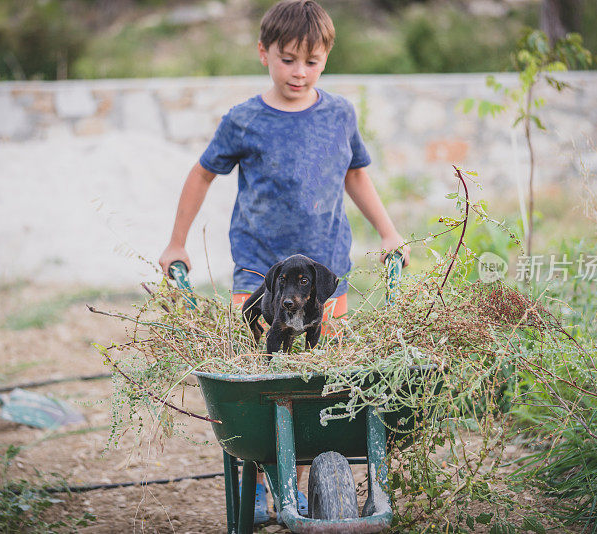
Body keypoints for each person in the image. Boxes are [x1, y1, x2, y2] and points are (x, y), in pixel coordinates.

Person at [158, 0, 409, 523]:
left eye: (312, 61)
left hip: (322, 278)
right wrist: (177, 243)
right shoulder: (244, 119)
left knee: (315, 381)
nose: (299, 72)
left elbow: (356, 174)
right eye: (288, 58)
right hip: (258, 272)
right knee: (260, 379)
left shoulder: (339, 114)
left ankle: (303, 478)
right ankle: (258, 473)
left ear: (326, 58)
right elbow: (203, 173)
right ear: (263, 53)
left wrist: (388, 232)